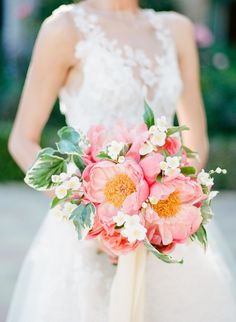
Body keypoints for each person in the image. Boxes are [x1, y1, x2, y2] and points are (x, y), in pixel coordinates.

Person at [7, 0, 236, 321]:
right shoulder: (65, 29)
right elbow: (21, 140)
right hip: (89, 235)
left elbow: (195, 142)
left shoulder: (177, 30)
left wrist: (166, 210)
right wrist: (96, 219)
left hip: (166, 231)